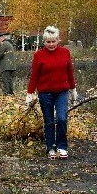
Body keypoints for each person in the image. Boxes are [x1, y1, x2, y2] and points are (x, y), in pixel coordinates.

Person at [26, 26, 77, 160]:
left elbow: (70, 72)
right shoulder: (39, 55)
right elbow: (34, 76)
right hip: (45, 93)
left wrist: (73, 89)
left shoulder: (65, 52)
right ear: (44, 42)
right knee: (49, 121)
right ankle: (50, 147)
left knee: (61, 118)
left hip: (62, 92)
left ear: (58, 40)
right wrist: (30, 93)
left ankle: (62, 146)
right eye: (48, 42)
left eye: (53, 41)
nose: (51, 44)